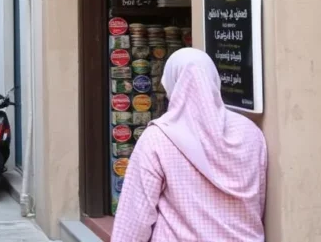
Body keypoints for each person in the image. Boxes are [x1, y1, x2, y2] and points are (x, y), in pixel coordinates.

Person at [112, 48, 267, 242]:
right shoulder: (250, 133)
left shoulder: (159, 138)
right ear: (214, 80)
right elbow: (258, 203)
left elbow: (133, 224)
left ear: (171, 85)